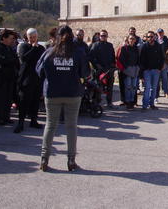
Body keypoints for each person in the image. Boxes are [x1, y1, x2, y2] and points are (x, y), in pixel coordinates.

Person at [36, 25, 90, 171]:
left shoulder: (49, 53)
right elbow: (85, 73)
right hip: (72, 93)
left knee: (50, 125)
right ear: (72, 36)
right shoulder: (78, 53)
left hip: (53, 93)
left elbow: (39, 71)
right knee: (71, 126)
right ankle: (71, 160)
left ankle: (44, 159)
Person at [14, 28, 46, 133]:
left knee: (35, 100)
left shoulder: (41, 48)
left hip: (37, 78)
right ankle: (21, 122)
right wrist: (32, 48)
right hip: (26, 78)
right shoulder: (23, 46)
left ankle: (34, 120)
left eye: (34, 37)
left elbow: (43, 62)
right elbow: (24, 59)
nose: (33, 39)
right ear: (27, 37)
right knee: (24, 101)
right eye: (30, 37)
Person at [0, 29, 19, 125]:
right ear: (4, 38)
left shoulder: (9, 48)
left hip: (10, 76)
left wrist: (12, 60)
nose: (13, 40)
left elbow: (15, 59)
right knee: (1, 98)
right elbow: (1, 59)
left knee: (8, 98)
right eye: (11, 38)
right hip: (1, 76)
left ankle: (6, 117)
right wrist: (11, 60)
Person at [89, 29, 116, 109]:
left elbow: (112, 56)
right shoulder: (95, 45)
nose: (103, 37)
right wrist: (97, 65)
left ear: (107, 36)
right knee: (98, 87)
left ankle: (109, 103)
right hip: (99, 70)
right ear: (99, 36)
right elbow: (91, 57)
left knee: (110, 87)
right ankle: (97, 103)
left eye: (104, 35)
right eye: (101, 35)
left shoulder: (110, 45)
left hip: (109, 69)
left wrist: (113, 65)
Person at [139, 31, 164, 110]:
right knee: (147, 88)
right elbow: (141, 60)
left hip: (156, 71)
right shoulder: (144, 47)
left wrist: (159, 68)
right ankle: (145, 105)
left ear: (155, 37)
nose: (150, 38)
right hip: (147, 71)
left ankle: (152, 104)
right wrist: (141, 73)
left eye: (151, 37)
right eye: (148, 37)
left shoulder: (158, 46)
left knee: (154, 88)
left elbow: (162, 58)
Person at [116, 35, 140, 109]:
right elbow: (121, 59)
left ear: (135, 40)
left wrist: (138, 67)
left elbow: (138, 58)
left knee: (134, 87)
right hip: (128, 70)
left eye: (133, 39)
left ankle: (132, 101)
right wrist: (126, 68)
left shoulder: (136, 48)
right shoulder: (124, 48)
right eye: (130, 39)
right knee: (128, 86)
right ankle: (128, 101)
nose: (132, 40)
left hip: (135, 69)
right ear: (128, 40)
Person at [156, 28, 168, 99]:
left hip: (164, 62)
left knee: (165, 78)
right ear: (157, 33)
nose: (160, 34)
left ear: (163, 33)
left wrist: (165, 63)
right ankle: (157, 93)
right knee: (157, 79)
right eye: (159, 33)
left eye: (161, 32)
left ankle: (166, 92)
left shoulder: (167, 41)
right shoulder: (155, 41)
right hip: (157, 63)